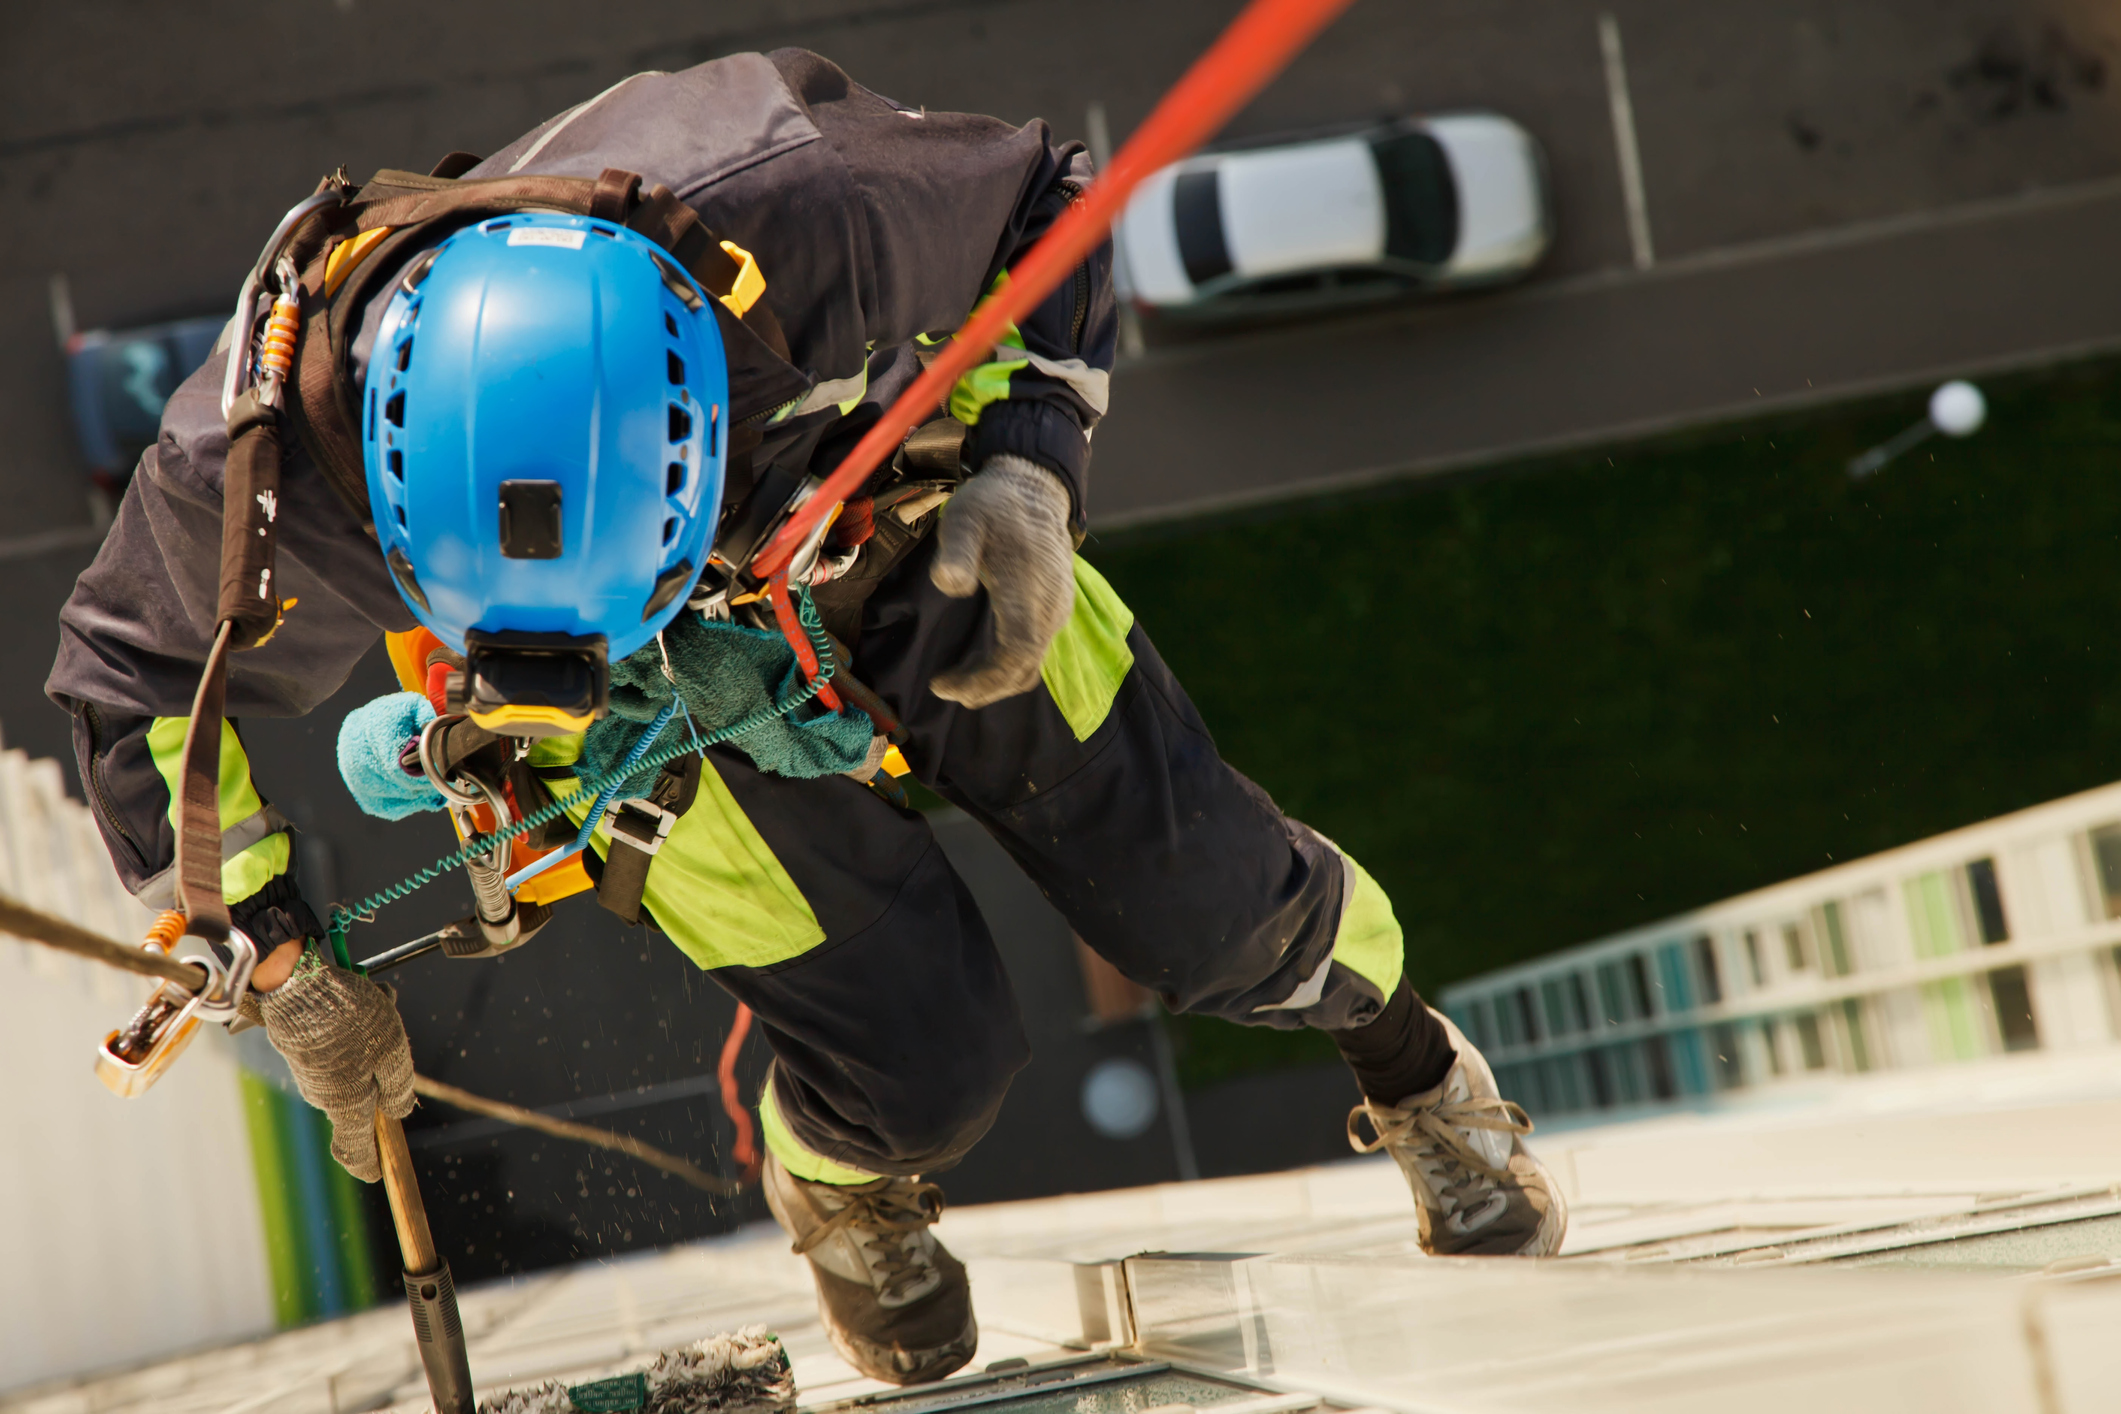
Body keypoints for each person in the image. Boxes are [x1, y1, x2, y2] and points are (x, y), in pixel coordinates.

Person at [47, 50, 1564, 1388]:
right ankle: (844, 1181)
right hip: (612, 708)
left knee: (1216, 914)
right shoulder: (259, 477)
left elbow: (1053, 203)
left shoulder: (803, 206)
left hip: (888, 532)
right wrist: (275, 944)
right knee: (923, 1063)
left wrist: (1030, 464)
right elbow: (124, 686)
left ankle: (1411, 1062)